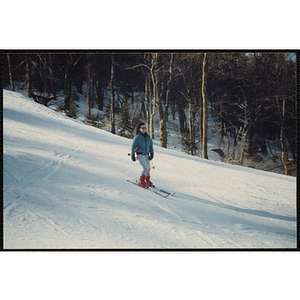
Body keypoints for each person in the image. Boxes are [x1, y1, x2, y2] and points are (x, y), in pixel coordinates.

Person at [131, 122, 154, 188]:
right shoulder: (137, 137)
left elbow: (151, 146)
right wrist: (133, 155)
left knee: (149, 168)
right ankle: (141, 181)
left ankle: (147, 181)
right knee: (145, 167)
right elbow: (133, 147)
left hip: (146, 154)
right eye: (142, 128)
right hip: (140, 154)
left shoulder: (148, 137)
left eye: (145, 128)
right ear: (139, 129)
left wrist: (152, 153)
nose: (144, 129)